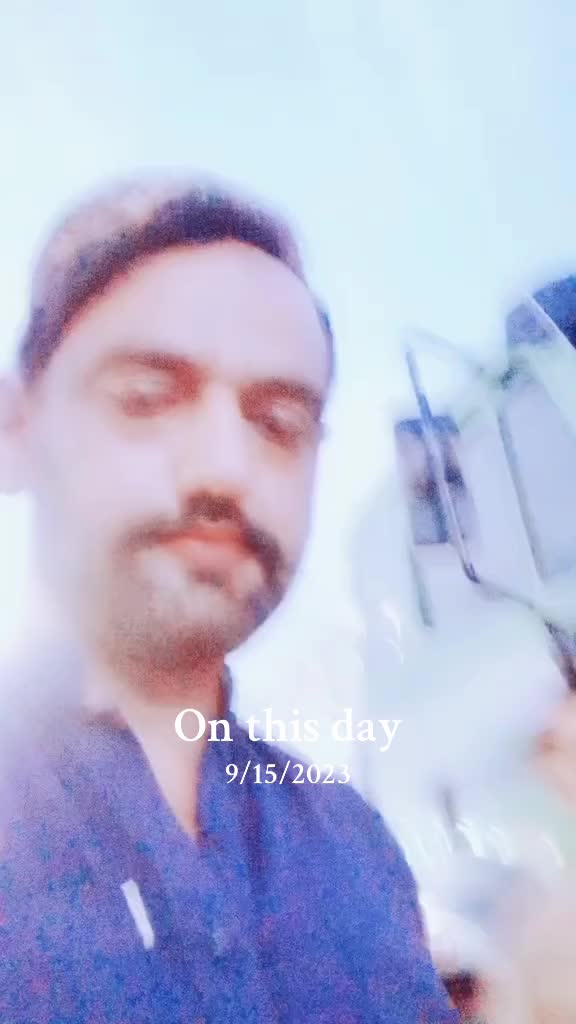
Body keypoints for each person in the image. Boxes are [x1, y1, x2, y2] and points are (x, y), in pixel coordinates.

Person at [0, 176, 457, 1022]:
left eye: (279, 422)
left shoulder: (357, 848)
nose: (224, 468)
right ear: (16, 429)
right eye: (147, 398)